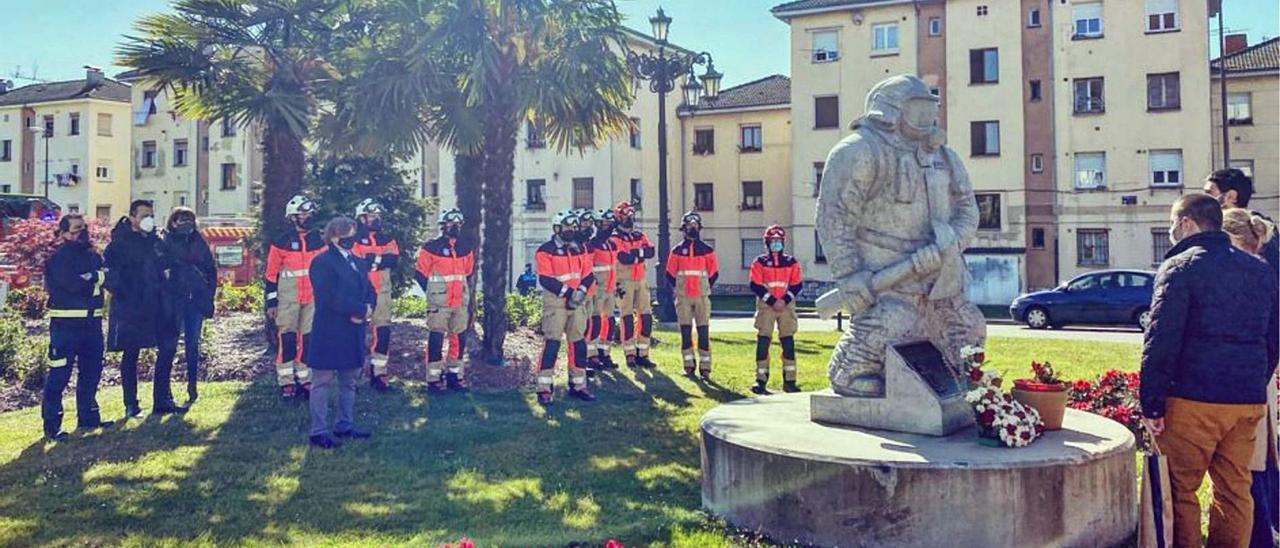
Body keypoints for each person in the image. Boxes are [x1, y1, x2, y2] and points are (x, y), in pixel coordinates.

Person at [1140, 193, 1279, 548]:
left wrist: (1152, 403)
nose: (1171, 231)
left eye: (1172, 223)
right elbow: (1274, 335)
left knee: (1181, 489)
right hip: (1245, 401)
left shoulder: (1180, 267)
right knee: (1235, 489)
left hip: (1191, 399)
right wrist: (1254, 379)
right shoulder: (1259, 269)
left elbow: (1161, 339)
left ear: (1187, 223)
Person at [1223, 208, 1280, 548]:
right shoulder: (1266, 270)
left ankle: (1260, 537)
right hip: (1259, 381)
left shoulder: (1255, 275)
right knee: (1257, 463)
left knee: (1247, 468)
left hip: (1249, 383)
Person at [104, 200, 186, 417]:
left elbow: (168, 265)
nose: (148, 219)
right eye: (143, 215)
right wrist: (126, 293)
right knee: (131, 353)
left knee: (167, 348)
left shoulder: (157, 242)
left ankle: (162, 400)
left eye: (151, 214)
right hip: (131, 306)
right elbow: (109, 276)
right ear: (132, 218)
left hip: (159, 303)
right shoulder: (118, 244)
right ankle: (131, 403)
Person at [40, 213, 113, 440]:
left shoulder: (93, 255)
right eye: (74, 230)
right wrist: (97, 278)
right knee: (59, 376)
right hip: (65, 326)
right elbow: (72, 285)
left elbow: (111, 279)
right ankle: (52, 427)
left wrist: (92, 276)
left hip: (92, 324)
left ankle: (89, 418)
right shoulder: (58, 258)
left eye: (82, 229)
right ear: (62, 233)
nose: (80, 234)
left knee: (91, 373)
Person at [306, 216, 376, 449]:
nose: (350, 240)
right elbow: (328, 296)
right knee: (322, 382)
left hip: (353, 330)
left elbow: (370, 289)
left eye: (352, 235)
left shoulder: (358, 260)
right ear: (333, 237)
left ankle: (344, 425)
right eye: (346, 236)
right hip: (330, 330)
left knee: (349, 381)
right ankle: (318, 431)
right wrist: (357, 309)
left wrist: (368, 308)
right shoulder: (322, 262)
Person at [264, 195, 326, 399]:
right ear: (293, 217)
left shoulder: (318, 239)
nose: (308, 217)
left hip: (312, 299)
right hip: (287, 300)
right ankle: (286, 382)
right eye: (303, 214)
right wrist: (271, 303)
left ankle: (304, 379)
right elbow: (271, 275)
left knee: (307, 340)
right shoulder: (281, 242)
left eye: (309, 213)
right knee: (287, 340)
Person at [534, 210, 597, 406]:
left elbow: (588, 275)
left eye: (574, 227)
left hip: (577, 303)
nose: (571, 230)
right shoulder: (545, 250)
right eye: (567, 227)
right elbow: (545, 279)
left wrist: (582, 291)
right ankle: (544, 388)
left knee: (579, 344)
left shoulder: (580, 249)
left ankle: (578, 385)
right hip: (556, 303)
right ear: (557, 228)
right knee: (552, 344)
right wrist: (570, 293)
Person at [414, 208, 475, 393]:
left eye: (457, 224)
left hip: (459, 303)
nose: (454, 226)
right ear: (442, 225)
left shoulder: (466, 248)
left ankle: (454, 377)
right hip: (439, 304)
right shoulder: (431, 247)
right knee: (436, 338)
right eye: (450, 223)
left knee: (459, 339)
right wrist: (433, 293)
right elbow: (420, 273)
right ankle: (433, 379)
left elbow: (468, 273)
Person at [160, 207, 216, 404]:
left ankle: (192, 386)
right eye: (180, 219)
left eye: (189, 220)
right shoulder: (165, 241)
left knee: (193, 345)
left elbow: (210, 269)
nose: (185, 223)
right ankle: (165, 392)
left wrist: (208, 296)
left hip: (195, 301)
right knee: (169, 347)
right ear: (172, 222)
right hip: (174, 301)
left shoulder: (198, 241)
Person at [351, 199, 400, 392]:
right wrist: (379, 261)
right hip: (359, 293)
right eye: (372, 216)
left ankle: (378, 373)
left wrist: (373, 260)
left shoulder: (387, 238)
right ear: (362, 218)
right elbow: (358, 262)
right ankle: (354, 373)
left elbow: (393, 260)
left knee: (383, 331)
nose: (376, 219)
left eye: (378, 215)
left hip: (383, 293)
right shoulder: (353, 239)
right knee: (356, 331)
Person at [748, 225, 804, 395]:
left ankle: (790, 381)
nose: (776, 244)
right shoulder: (760, 262)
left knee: (788, 342)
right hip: (767, 307)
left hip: (786, 307)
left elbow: (797, 284)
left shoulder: (791, 262)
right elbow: (755, 284)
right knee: (763, 341)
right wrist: (772, 300)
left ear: (783, 242)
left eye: (779, 241)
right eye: (773, 241)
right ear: (767, 243)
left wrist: (784, 300)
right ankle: (761, 380)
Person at [665, 211, 719, 379]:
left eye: (695, 225)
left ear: (699, 227)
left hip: (702, 296)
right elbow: (669, 273)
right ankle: (688, 366)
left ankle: (705, 368)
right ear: (684, 227)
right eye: (689, 225)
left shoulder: (707, 250)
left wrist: (704, 287)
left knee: (703, 331)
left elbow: (714, 273)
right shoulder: (677, 250)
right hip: (683, 297)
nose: (692, 228)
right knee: (685, 331)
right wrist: (680, 288)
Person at [610, 201, 657, 368]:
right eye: (625, 215)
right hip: (623, 282)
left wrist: (636, 254)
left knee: (646, 315)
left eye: (631, 214)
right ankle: (629, 353)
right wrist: (639, 255)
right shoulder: (614, 238)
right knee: (627, 316)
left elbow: (651, 251)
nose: (629, 218)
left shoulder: (639, 235)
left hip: (641, 280)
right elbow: (624, 257)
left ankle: (643, 353)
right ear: (618, 217)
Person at [1205, 168, 1279, 269]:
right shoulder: (1209, 226)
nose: (1203, 198)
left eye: (1209, 193)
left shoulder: (1263, 228)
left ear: (1231, 196)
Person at [587, 208, 620, 371]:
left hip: (610, 289)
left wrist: (617, 285)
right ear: (598, 225)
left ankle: (604, 353)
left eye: (609, 224)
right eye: (604, 224)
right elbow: (588, 268)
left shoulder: (613, 245)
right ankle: (591, 356)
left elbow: (614, 267)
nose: (607, 227)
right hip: (598, 290)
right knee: (596, 322)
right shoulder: (593, 244)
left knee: (610, 322)